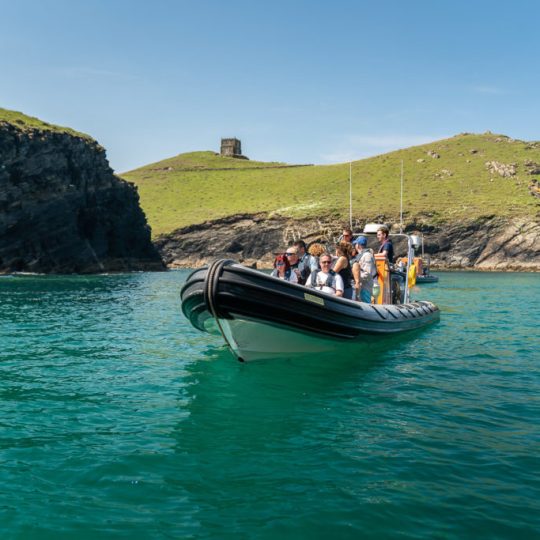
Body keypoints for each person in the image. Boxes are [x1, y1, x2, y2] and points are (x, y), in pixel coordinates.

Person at [351, 236, 377, 303]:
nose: (355, 246)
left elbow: (367, 274)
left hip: (365, 287)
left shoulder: (367, 255)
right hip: (360, 286)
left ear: (358, 245)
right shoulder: (361, 255)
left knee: (365, 303)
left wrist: (355, 277)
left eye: (355, 244)